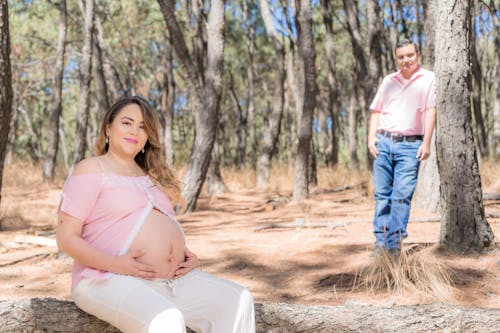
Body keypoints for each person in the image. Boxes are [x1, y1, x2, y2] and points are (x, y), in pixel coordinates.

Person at [56, 96, 255, 333]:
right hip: (105, 279)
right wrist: (115, 264)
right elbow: (66, 238)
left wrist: (185, 256)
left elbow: (153, 227)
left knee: (237, 300)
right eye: (127, 123)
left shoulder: (151, 179)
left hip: (168, 282)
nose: (135, 131)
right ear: (108, 128)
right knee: (166, 320)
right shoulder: (91, 169)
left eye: (142, 127)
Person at [367, 39, 436, 257]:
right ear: (396, 59)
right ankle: (380, 244)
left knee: (402, 196)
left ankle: (394, 245)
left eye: (409, 55)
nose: (406, 60)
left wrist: (426, 142)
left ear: (418, 55)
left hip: (410, 146)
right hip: (384, 143)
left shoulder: (428, 79)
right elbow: (376, 111)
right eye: (401, 57)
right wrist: (371, 138)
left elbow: (430, 111)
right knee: (382, 195)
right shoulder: (389, 81)